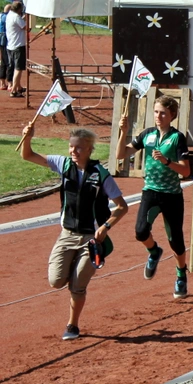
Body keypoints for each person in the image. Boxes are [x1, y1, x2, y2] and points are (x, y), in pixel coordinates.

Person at [20, 124, 128, 340]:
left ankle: (72, 325)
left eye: (78, 147)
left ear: (89, 149)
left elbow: (122, 206)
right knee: (56, 281)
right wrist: (27, 137)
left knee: (78, 287)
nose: (73, 151)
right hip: (67, 235)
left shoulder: (101, 174)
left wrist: (106, 227)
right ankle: (75, 268)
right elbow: (28, 155)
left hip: (91, 239)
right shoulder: (63, 164)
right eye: (71, 146)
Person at [117, 95, 191, 298]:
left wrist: (167, 161)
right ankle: (154, 251)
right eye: (156, 112)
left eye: (163, 113)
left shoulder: (177, 138)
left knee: (176, 240)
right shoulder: (147, 134)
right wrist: (123, 133)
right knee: (141, 232)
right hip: (150, 191)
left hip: (171, 195)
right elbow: (120, 155)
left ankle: (181, 274)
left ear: (172, 115)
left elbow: (186, 171)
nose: (158, 116)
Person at [6, 0, 26, 97]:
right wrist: (27, 18)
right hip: (18, 46)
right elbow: (25, 27)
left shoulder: (10, 15)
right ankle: (14, 90)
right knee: (18, 68)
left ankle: (18, 87)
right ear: (19, 9)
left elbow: (19, 24)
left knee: (15, 67)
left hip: (11, 45)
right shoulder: (16, 17)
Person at [0, 4, 11, 91]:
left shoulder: (1, 15)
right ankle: (10, 83)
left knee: (3, 61)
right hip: (5, 41)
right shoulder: (7, 17)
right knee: (8, 62)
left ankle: (3, 83)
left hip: (2, 41)